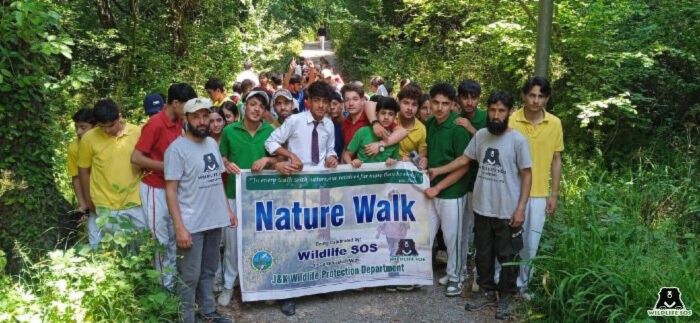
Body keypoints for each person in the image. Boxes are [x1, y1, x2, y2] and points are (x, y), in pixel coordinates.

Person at [428, 91, 532, 320]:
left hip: (507, 211)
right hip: (482, 207)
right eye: (493, 110)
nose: (495, 115)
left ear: (509, 112)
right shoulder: (482, 135)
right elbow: (464, 160)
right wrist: (438, 170)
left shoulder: (518, 140)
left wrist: (521, 208)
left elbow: (527, 175)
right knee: (483, 255)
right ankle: (486, 291)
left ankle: (506, 297)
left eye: (501, 111)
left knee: (508, 257)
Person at [264, 81, 339, 316]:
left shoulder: (329, 125)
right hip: (295, 186)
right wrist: (289, 154)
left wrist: (332, 157)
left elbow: (330, 149)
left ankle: (315, 282)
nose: (321, 106)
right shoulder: (295, 121)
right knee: (293, 237)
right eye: (317, 101)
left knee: (318, 236)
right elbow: (270, 142)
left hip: (319, 188)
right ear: (309, 102)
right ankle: (288, 293)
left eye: (326, 102)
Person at [164, 97, 235, 323]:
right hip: (191, 224)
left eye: (205, 116)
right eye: (196, 117)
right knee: (190, 276)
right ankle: (186, 317)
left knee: (209, 271)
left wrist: (227, 210)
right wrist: (180, 227)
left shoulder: (212, 144)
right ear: (186, 119)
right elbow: (171, 191)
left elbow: (216, 181)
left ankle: (208, 311)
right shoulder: (176, 149)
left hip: (214, 219)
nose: (202, 121)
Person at [131, 83, 197, 290]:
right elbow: (136, 158)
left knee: (172, 238)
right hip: (155, 188)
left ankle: (171, 283)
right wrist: (168, 166)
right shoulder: (155, 124)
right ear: (175, 103)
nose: (189, 111)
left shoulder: (179, 123)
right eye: (187, 106)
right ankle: (163, 290)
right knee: (160, 240)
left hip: (173, 189)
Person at [217, 91, 276, 307]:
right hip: (234, 195)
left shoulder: (271, 131)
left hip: (262, 198)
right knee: (232, 244)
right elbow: (220, 155)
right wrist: (225, 162)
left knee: (260, 242)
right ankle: (228, 285)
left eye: (261, 106)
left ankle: (260, 283)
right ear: (244, 107)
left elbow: (280, 157)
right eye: (252, 104)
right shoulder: (230, 131)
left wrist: (267, 159)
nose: (256, 109)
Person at [509, 76, 563, 298]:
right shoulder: (512, 120)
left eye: (541, 96)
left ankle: (524, 285)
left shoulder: (555, 123)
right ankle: (497, 282)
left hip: (539, 193)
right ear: (523, 95)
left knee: (531, 244)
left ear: (547, 98)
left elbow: (556, 158)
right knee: (505, 240)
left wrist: (554, 194)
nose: (536, 100)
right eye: (532, 95)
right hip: (512, 191)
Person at [422, 83, 471, 297]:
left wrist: (439, 186)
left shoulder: (458, 128)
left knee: (453, 238)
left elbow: (464, 166)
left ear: (453, 105)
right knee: (427, 234)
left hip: (452, 192)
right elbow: (430, 152)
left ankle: (456, 277)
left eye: (445, 104)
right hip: (432, 191)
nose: (440, 107)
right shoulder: (431, 123)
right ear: (430, 103)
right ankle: (415, 274)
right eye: (436, 102)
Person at [77, 99, 146, 249]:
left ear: (120, 117)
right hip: (104, 204)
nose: (107, 130)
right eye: (102, 127)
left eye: (111, 125)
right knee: (114, 251)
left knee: (141, 247)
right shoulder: (89, 139)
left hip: (135, 201)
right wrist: (89, 202)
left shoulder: (137, 132)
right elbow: (83, 171)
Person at [455, 80, 488, 288]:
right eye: (465, 97)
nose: (469, 101)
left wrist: (470, 127)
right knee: (461, 228)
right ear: (459, 98)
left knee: (480, 229)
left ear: (478, 98)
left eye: (473, 97)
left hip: (481, 181)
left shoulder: (486, 117)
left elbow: (491, 147)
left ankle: (478, 274)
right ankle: (458, 271)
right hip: (459, 181)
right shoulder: (452, 115)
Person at [63, 108, 95, 243]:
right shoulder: (74, 147)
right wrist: (84, 205)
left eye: (83, 127)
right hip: (91, 196)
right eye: (76, 127)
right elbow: (76, 178)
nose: (78, 132)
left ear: (96, 125)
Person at [342, 96, 400, 167]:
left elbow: (395, 160)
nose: (386, 117)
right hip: (361, 176)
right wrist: (352, 163)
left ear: (394, 117)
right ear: (376, 114)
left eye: (390, 114)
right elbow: (346, 155)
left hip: (383, 177)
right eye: (383, 113)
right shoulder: (363, 132)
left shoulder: (395, 138)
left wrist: (392, 161)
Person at [395, 84, 428, 168]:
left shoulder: (421, 129)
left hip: (406, 168)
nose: (409, 108)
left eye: (414, 104)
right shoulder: (390, 119)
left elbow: (422, 152)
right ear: (399, 102)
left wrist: (411, 158)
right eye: (406, 103)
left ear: (418, 107)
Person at [328, 91, 345, 157]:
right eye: (329, 105)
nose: (332, 107)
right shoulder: (324, 125)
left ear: (342, 104)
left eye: (335, 104)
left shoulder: (348, 122)